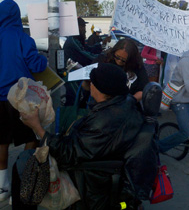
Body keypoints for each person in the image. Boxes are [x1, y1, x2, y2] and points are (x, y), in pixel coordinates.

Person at [13, 63, 158, 209]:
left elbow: (69, 153)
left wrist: (37, 128)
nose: (90, 84)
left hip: (91, 181)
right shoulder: (124, 103)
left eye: (92, 82)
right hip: (98, 167)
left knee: (24, 164)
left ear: (100, 89)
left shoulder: (104, 121)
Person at [0, 0, 47, 201]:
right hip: (21, 99)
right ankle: (22, 185)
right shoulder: (24, 38)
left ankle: (2, 188)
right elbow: (36, 66)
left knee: (1, 141)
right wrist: (44, 58)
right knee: (30, 138)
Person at [94, 38, 149, 109]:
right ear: (114, 52)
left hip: (128, 107)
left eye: (124, 60)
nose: (119, 61)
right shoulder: (104, 59)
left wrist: (130, 100)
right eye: (117, 57)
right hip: (104, 105)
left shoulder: (137, 66)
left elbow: (143, 89)